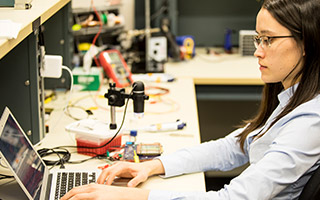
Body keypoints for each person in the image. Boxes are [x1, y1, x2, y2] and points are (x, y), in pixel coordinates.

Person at [61, 0, 320, 199]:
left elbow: (232, 198)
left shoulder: (309, 122)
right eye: (257, 39)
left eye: (268, 40)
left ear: (306, 41)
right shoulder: (291, 98)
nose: (257, 51)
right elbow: (234, 147)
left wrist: (135, 196)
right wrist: (154, 166)